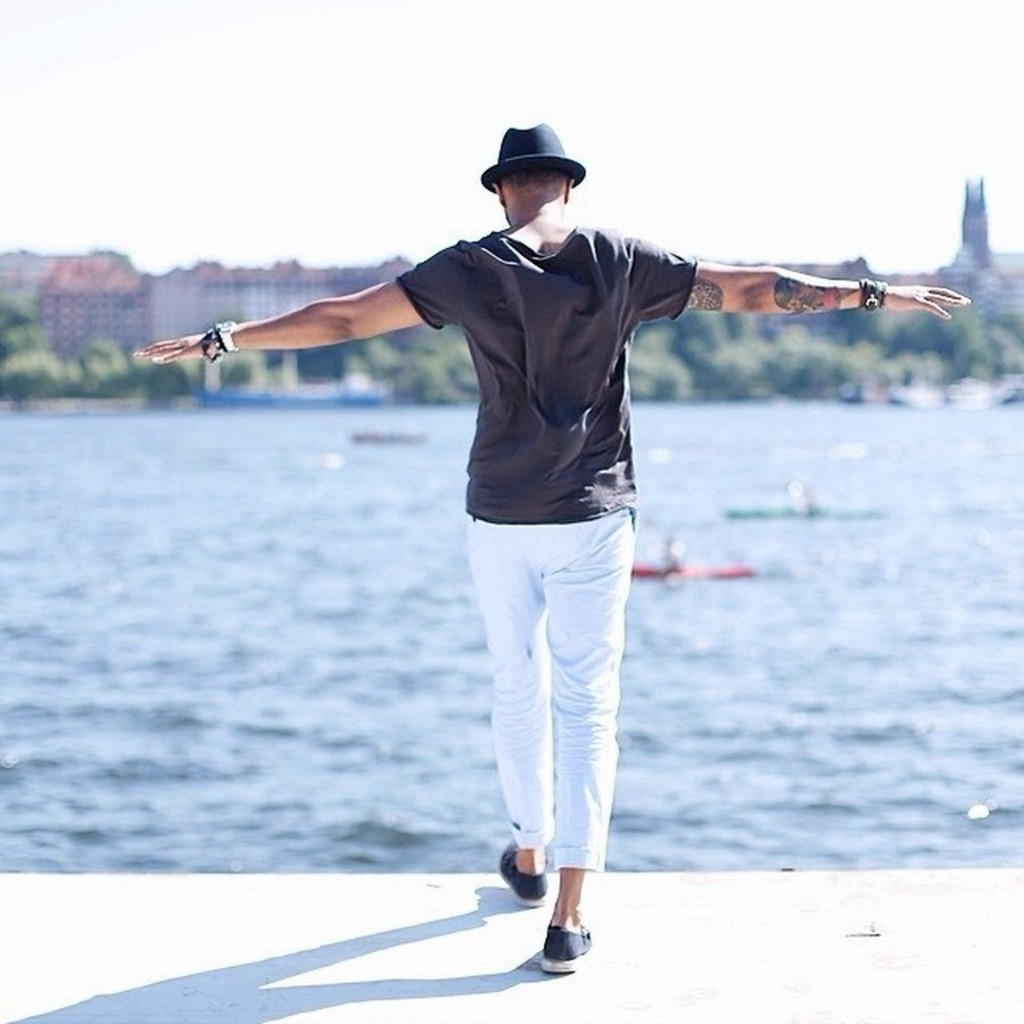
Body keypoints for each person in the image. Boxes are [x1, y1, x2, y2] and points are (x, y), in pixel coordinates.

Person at [134, 123, 971, 973]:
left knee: (516, 686)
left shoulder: (467, 267)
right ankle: (568, 917)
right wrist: (874, 293)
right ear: (567, 185)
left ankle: (528, 853)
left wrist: (225, 338)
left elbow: (345, 316)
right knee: (587, 708)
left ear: (503, 190)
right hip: (594, 516)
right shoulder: (621, 259)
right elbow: (756, 289)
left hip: (501, 513)